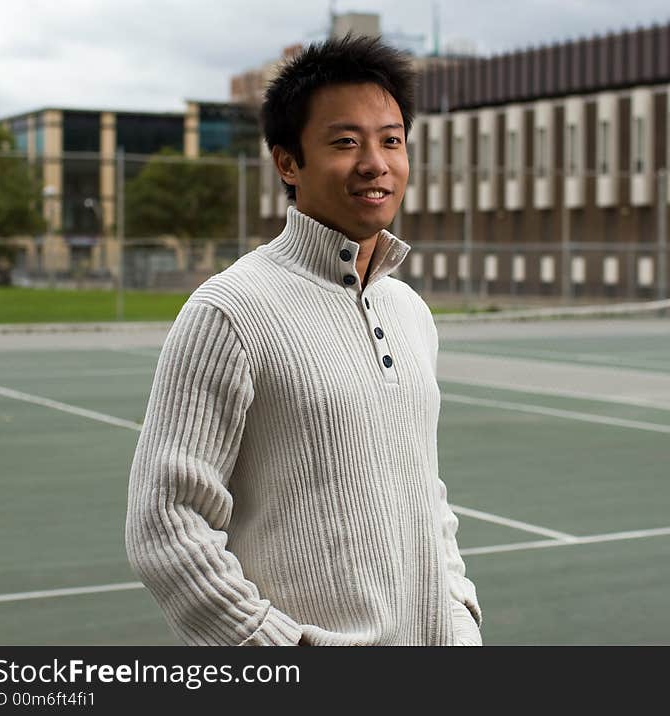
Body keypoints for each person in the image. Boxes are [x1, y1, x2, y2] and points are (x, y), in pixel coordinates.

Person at [125, 35, 482, 646]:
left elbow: (426, 492)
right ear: (288, 162)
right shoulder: (230, 311)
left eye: (391, 140)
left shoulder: (410, 311)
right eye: (346, 142)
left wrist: (459, 618)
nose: (376, 163)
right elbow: (167, 521)